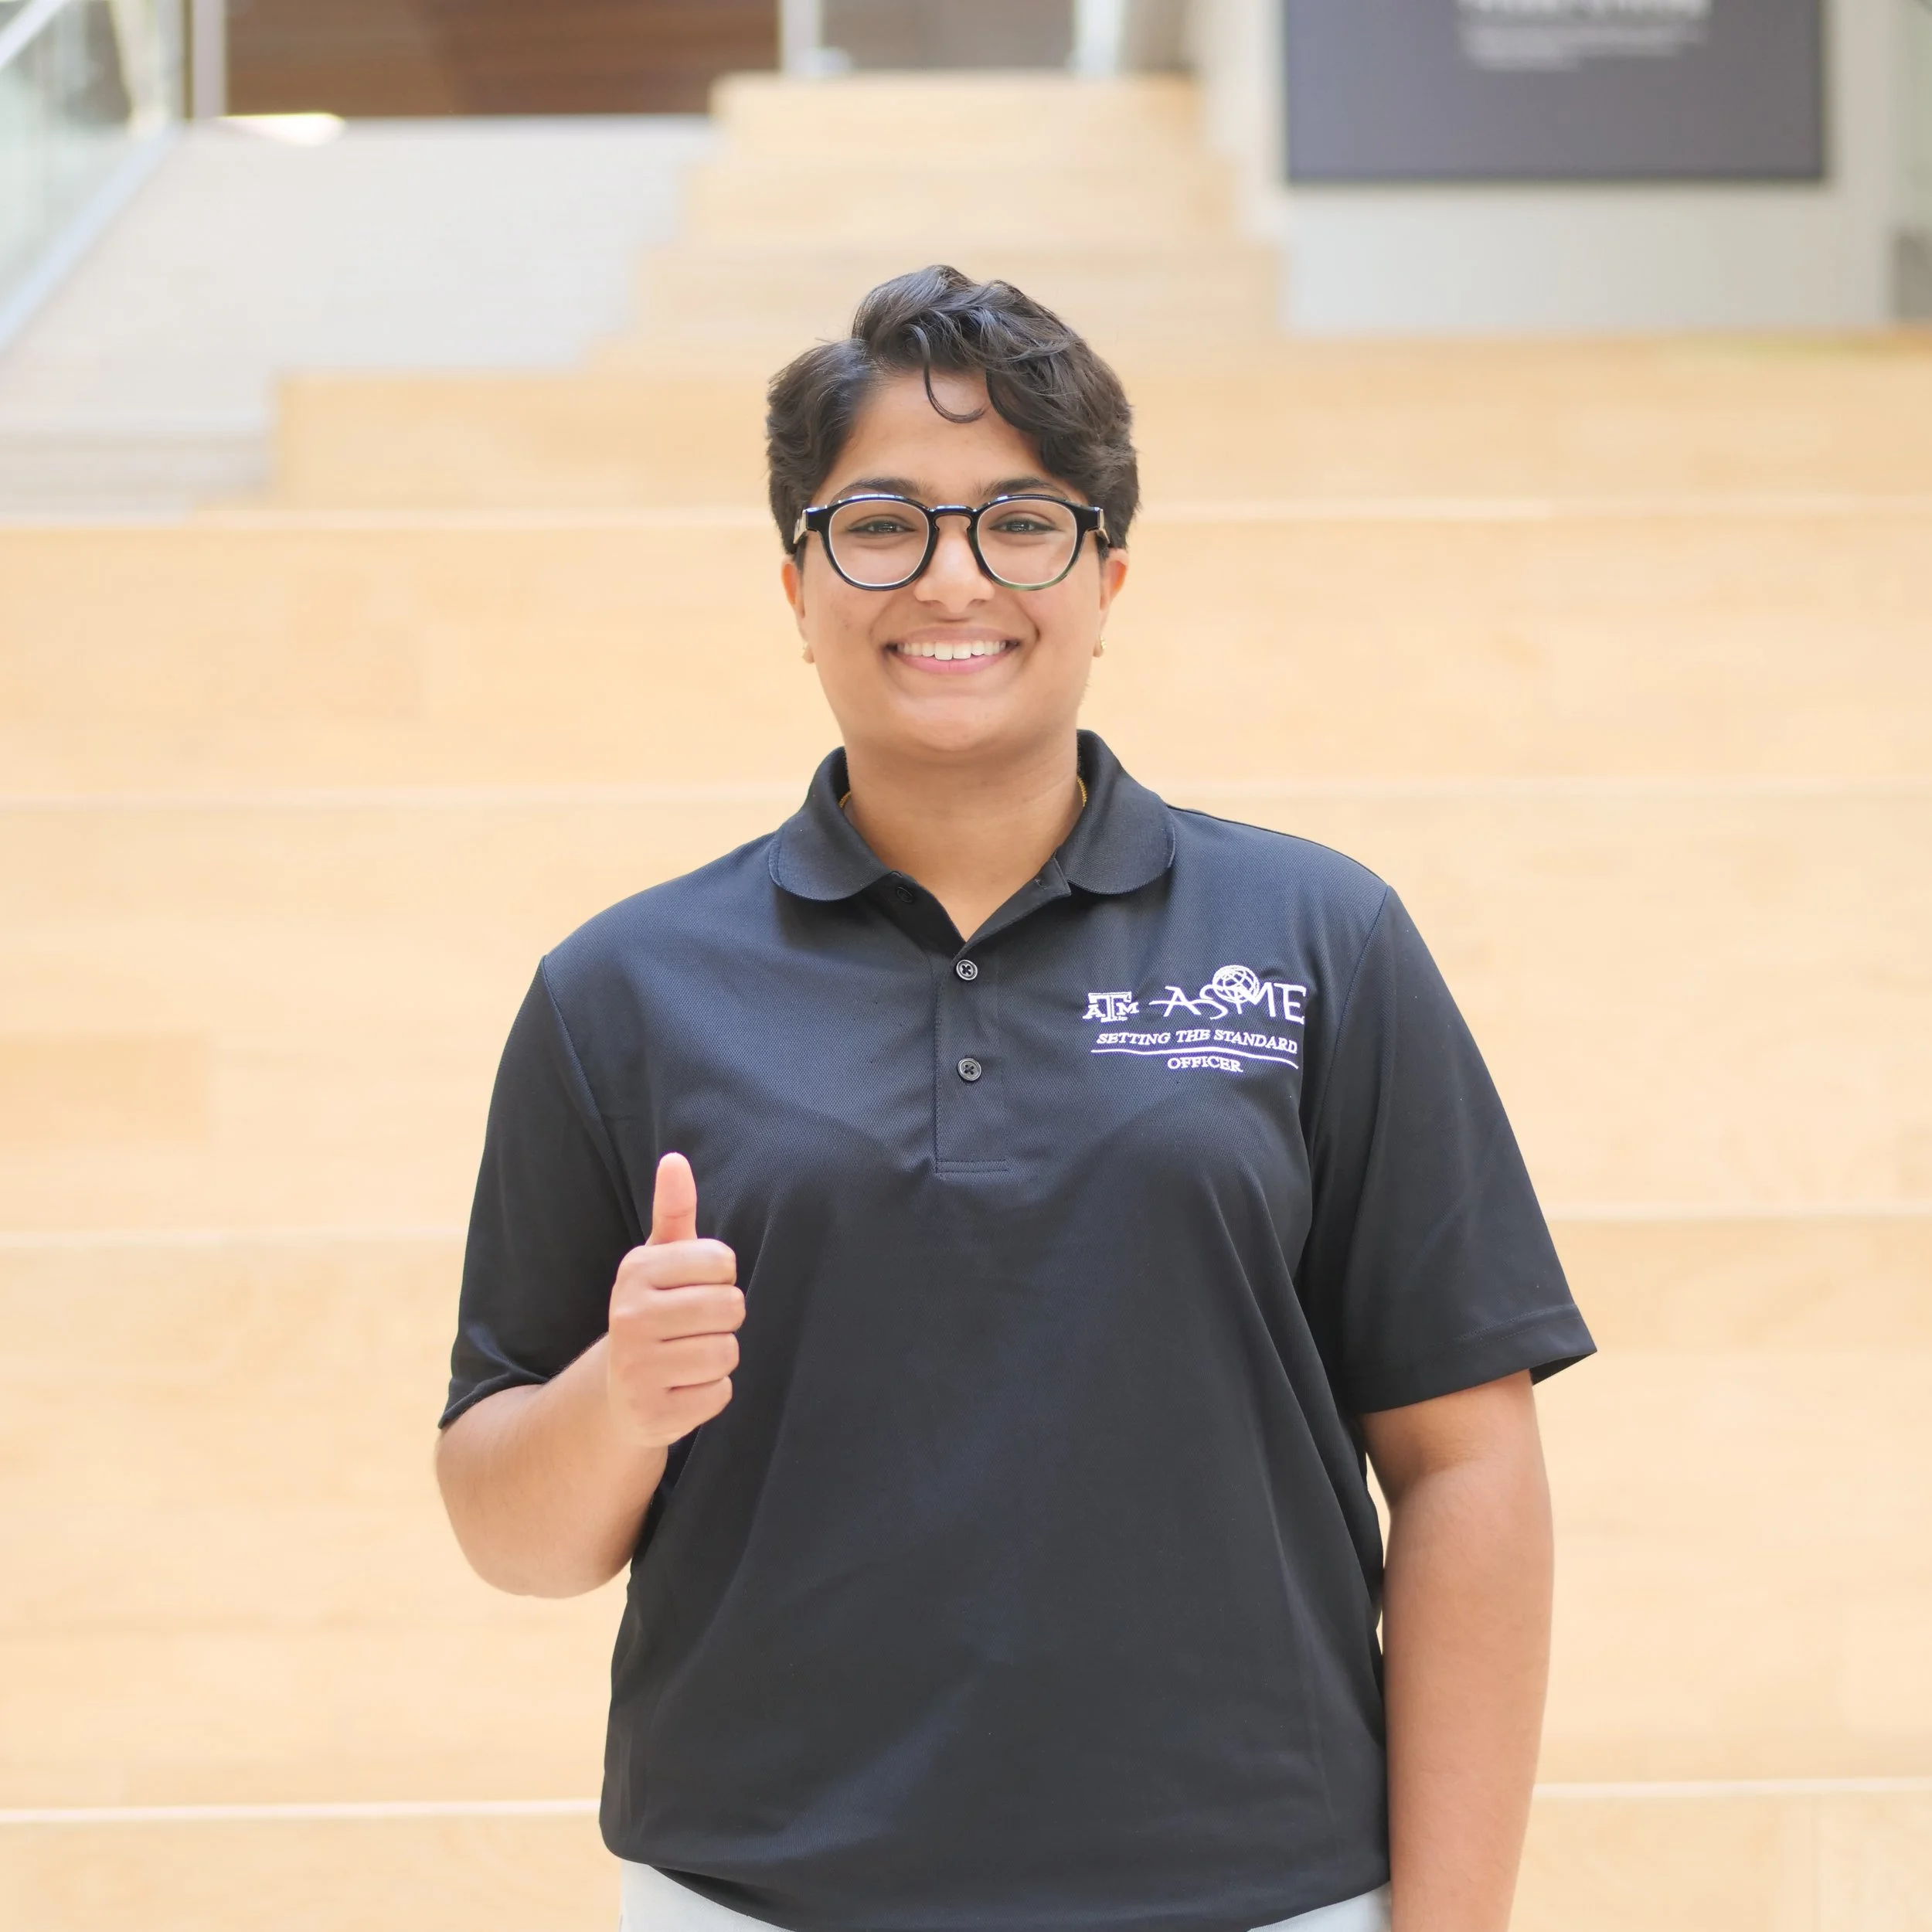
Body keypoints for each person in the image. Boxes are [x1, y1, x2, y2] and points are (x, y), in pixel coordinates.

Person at [434, 265, 1594, 1932]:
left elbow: (1469, 1463)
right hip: (754, 1891)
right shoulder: (620, 987)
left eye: (1019, 521)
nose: (951, 575)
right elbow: (510, 1529)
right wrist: (621, 1396)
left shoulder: (1314, 937)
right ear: (796, 581)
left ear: (1106, 574)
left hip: (1260, 1891)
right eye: (881, 522)